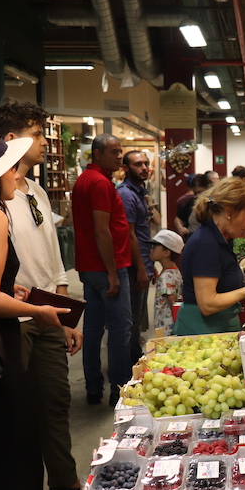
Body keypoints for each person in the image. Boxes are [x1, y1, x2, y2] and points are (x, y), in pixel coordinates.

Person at [0, 100, 83, 490]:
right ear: (11, 140)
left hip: (46, 314)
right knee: (17, 413)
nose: (44, 142)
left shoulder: (36, 191)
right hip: (11, 320)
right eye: (37, 133)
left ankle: (65, 484)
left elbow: (54, 258)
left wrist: (65, 314)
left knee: (56, 404)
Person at [174, 178, 245, 334]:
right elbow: (207, 304)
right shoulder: (206, 244)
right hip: (203, 333)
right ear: (229, 212)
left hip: (217, 328)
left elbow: (219, 278)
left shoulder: (221, 236)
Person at [71, 133, 133, 407]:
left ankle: (93, 388)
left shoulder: (87, 180)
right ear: (97, 154)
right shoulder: (98, 182)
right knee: (120, 330)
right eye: (114, 152)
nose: (120, 156)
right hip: (108, 267)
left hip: (89, 268)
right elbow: (101, 230)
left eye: (121, 152)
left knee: (94, 328)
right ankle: (119, 390)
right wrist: (111, 272)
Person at [118, 150, 161, 363]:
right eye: (138, 164)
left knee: (137, 319)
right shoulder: (126, 194)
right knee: (132, 319)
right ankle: (129, 365)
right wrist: (142, 268)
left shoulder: (139, 192)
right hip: (134, 265)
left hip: (143, 260)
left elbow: (149, 227)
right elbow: (129, 234)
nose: (144, 168)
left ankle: (134, 359)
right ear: (125, 168)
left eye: (145, 164)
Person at [148, 229, 184, 336]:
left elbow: (172, 302)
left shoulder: (166, 277)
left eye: (154, 247)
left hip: (166, 329)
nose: (151, 250)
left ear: (166, 252)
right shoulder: (173, 271)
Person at [174, 172, 209, 240]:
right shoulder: (193, 201)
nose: (198, 196)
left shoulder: (214, 202)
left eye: (200, 192)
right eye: (195, 193)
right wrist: (180, 228)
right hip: (192, 238)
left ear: (208, 187)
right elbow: (178, 218)